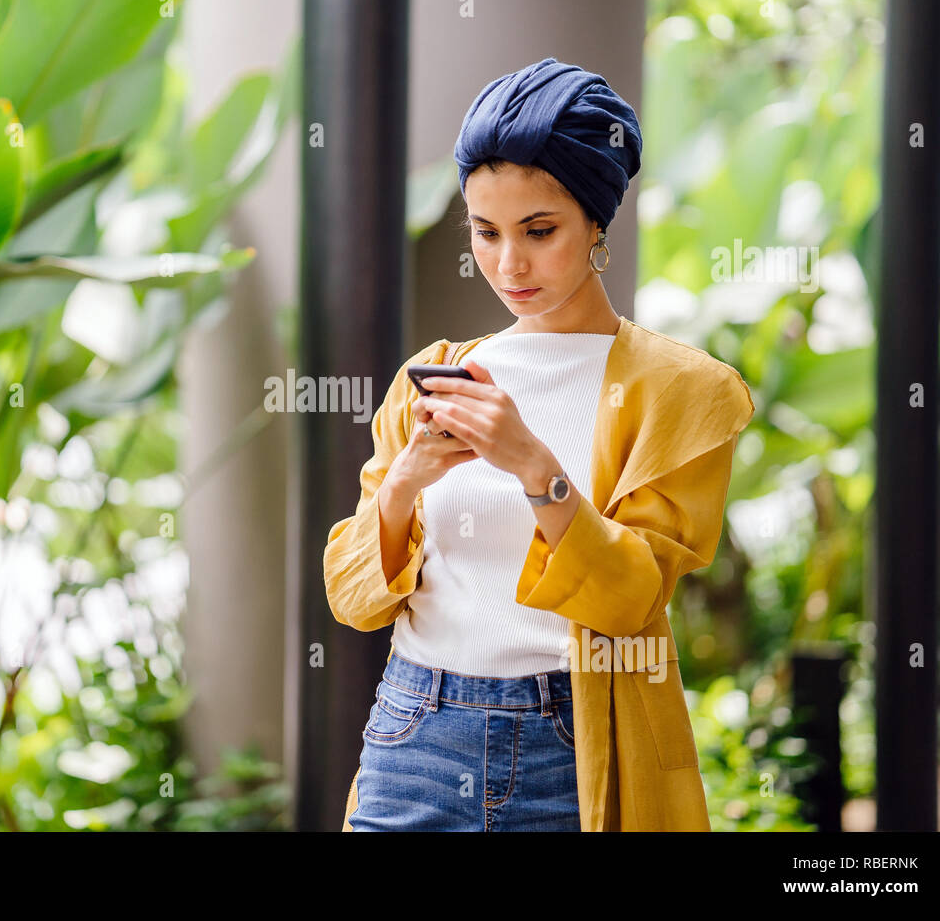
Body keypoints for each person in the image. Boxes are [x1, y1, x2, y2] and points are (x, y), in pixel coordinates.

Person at [323, 57, 755, 831]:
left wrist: (534, 468)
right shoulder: (438, 376)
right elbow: (353, 600)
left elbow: (631, 601)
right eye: (485, 233)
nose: (508, 264)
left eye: (539, 231)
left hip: (573, 740)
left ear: (596, 221)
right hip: (414, 729)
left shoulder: (682, 393)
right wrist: (404, 484)